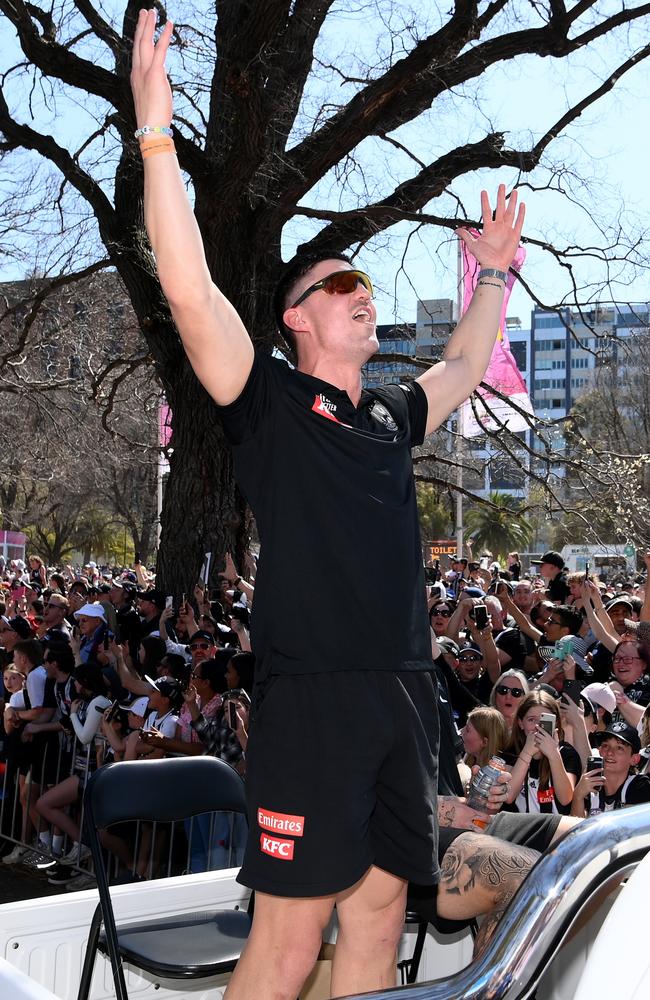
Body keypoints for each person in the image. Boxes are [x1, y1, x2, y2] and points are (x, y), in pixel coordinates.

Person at [130, 10, 526, 997]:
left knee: (383, 919)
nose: (360, 291)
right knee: (286, 943)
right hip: (311, 705)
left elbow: (468, 360)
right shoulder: (263, 400)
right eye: (335, 282)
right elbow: (187, 287)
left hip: (403, 693)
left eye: (363, 279)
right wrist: (154, 130)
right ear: (297, 317)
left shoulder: (391, 411)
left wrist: (493, 273)